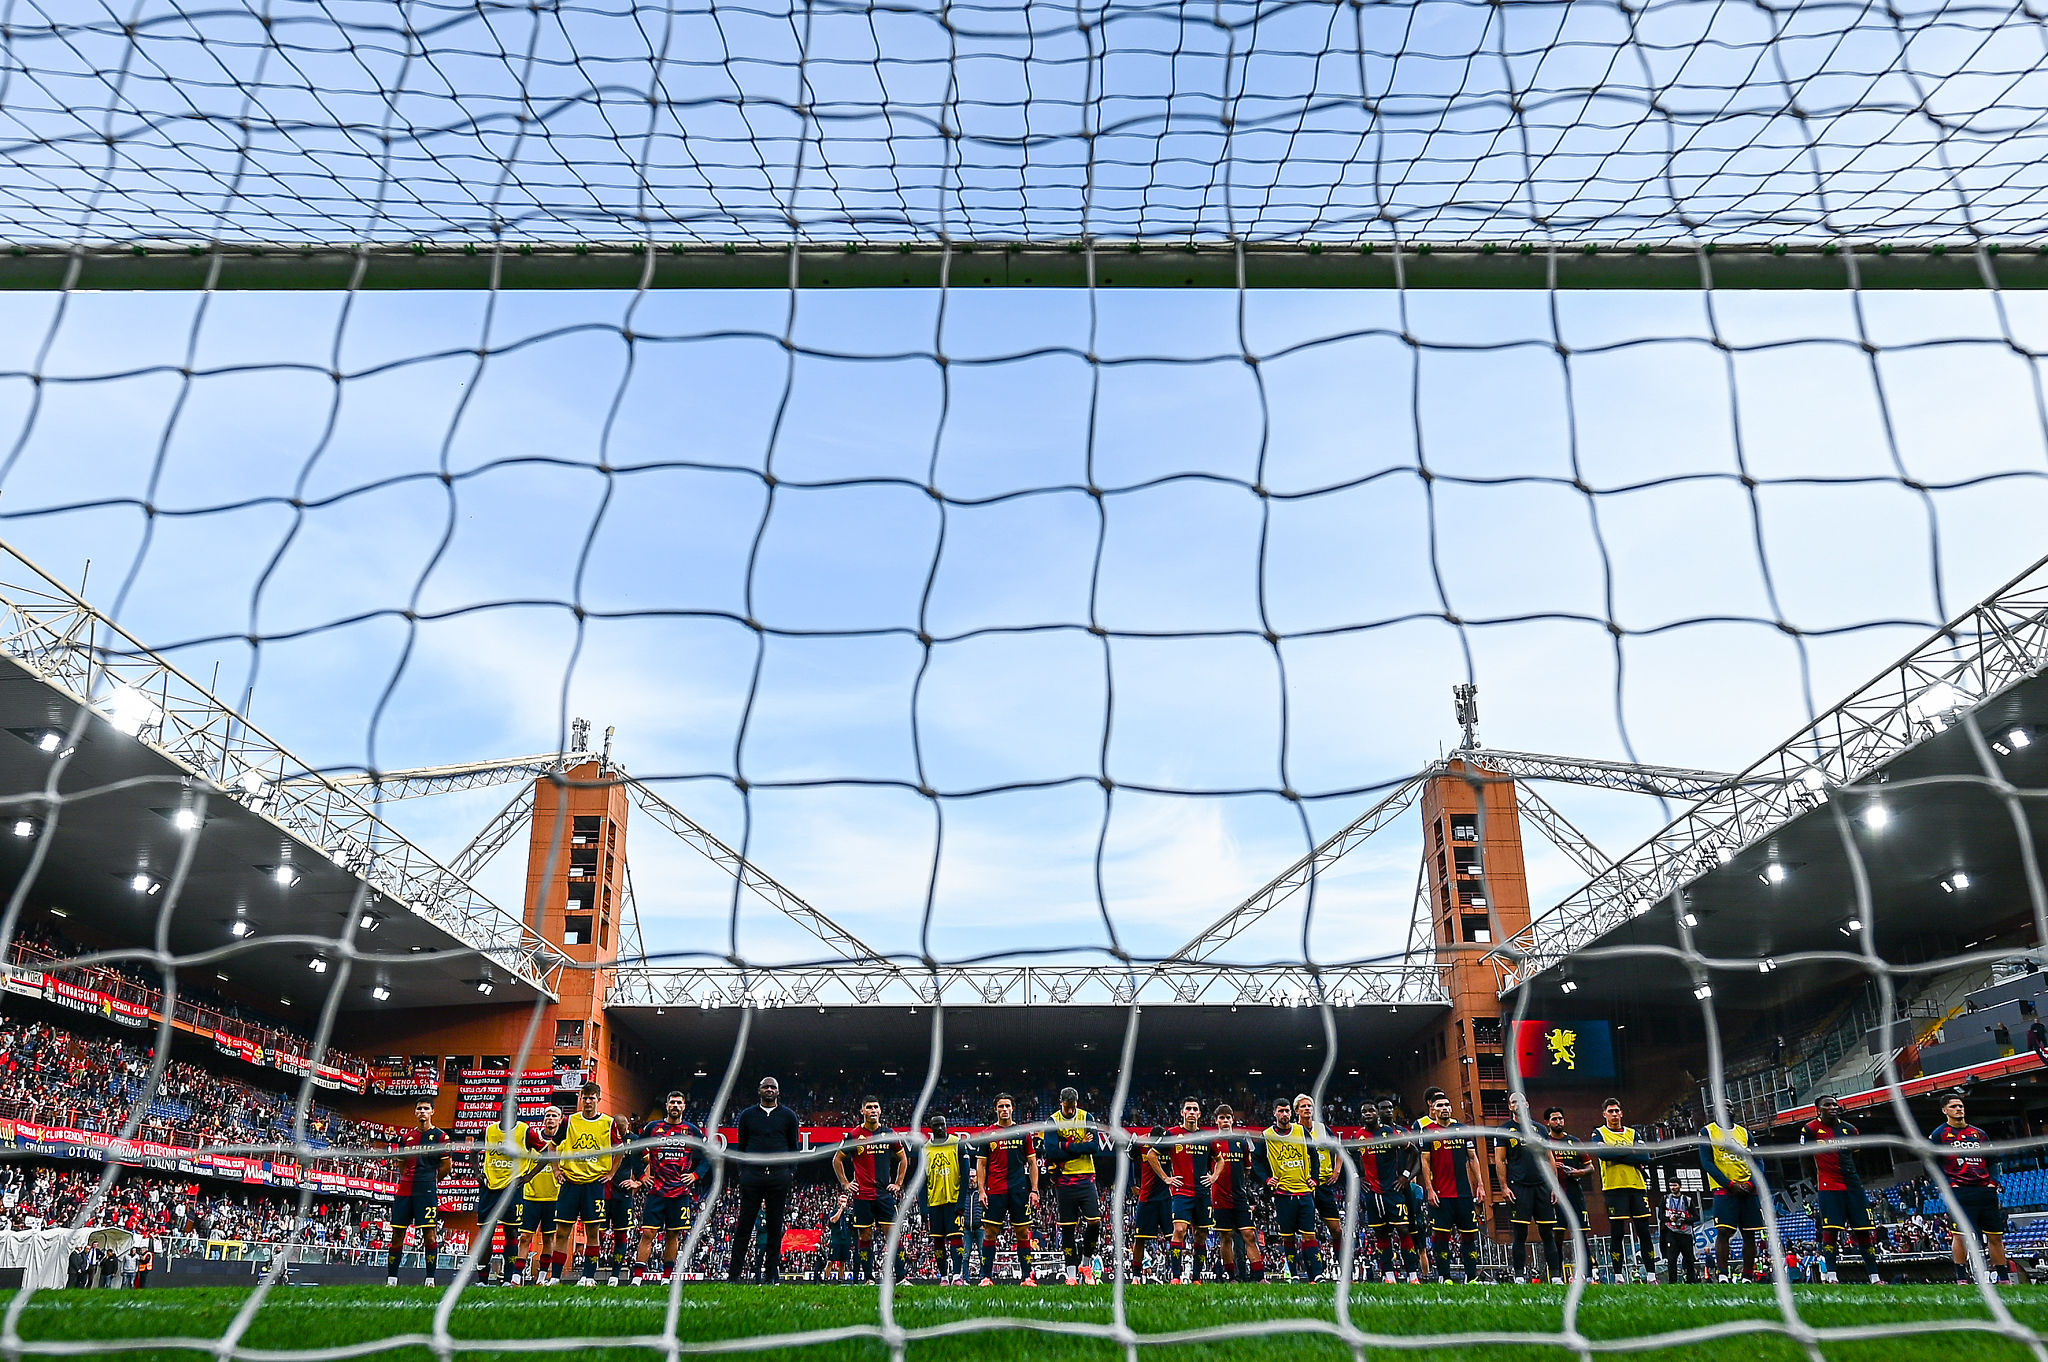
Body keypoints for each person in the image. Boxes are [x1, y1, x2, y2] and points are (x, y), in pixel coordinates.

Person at [1931, 1090, 2012, 1284]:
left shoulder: (1979, 1134)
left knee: (1995, 1236)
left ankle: (2003, 1277)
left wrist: (1993, 1182)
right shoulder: (1939, 1135)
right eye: (1953, 1106)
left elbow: (1992, 1161)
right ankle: (1961, 1278)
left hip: (1985, 1191)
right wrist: (1949, 1184)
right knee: (1961, 1236)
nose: (1958, 1109)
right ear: (1944, 1110)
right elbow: (1932, 1163)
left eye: (1960, 1106)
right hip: (1960, 1191)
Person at [729, 1076, 801, 1283]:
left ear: (778, 1091)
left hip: (779, 1176)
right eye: (765, 1087)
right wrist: (743, 1172)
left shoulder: (789, 1116)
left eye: (773, 1087)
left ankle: (771, 1275)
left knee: (774, 1226)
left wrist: (790, 1172)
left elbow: (792, 1146)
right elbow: (741, 1146)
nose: (769, 1090)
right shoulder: (747, 1115)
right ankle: (734, 1276)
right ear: (759, 1090)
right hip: (752, 1176)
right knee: (744, 1225)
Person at [554, 1081, 628, 1287]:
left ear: (598, 1099)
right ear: (581, 1099)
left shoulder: (607, 1122)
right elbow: (552, 1145)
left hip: (594, 1184)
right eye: (584, 1098)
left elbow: (619, 1149)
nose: (587, 1101)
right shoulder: (570, 1121)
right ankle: (554, 1277)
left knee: (593, 1231)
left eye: (591, 1098)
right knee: (562, 1231)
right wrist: (556, 1169)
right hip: (570, 1182)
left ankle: (588, 1276)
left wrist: (612, 1173)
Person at [1804, 1095, 1881, 1284]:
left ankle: (1874, 1277)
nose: (1833, 1107)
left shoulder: (1850, 1130)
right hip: (1829, 1185)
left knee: (1863, 1230)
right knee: (1831, 1230)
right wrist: (1815, 1180)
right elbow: (1804, 1157)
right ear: (1818, 1109)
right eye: (1827, 1105)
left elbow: (1857, 1157)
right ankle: (1831, 1276)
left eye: (1834, 1104)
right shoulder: (1810, 1129)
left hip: (1853, 1186)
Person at [633, 1090, 706, 1285]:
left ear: (684, 1106)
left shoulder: (692, 1131)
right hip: (657, 1190)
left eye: (679, 1103)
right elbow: (634, 1152)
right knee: (648, 1233)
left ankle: (666, 1278)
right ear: (666, 1105)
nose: (675, 1106)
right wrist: (641, 1175)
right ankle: (637, 1278)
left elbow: (709, 1156)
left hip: (680, 1192)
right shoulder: (653, 1128)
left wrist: (695, 1175)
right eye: (672, 1102)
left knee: (673, 1234)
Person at [1417, 1087, 1488, 1284]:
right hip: (1440, 1195)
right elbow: (1425, 1162)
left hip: (1464, 1194)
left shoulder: (1463, 1130)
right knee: (1440, 1237)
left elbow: (1473, 1158)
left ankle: (1471, 1277)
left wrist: (1480, 1185)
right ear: (1434, 1110)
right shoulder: (1428, 1132)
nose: (1445, 1108)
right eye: (1440, 1105)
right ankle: (1444, 1276)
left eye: (1447, 1104)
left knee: (1469, 1237)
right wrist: (1429, 1190)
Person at [833, 1097, 907, 1283]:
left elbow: (904, 1159)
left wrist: (898, 1183)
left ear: (880, 1110)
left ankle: (901, 1278)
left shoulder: (889, 1134)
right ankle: (869, 1278)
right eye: (869, 1107)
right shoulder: (854, 1135)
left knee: (893, 1236)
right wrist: (845, 1183)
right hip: (862, 1196)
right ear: (862, 1111)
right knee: (864, 1236)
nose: (873, 1110)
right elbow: (837, 1160)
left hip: (884, 1194)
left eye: (876, 1107)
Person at [972, 1094, 1039, 1286]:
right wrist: (982, 1191)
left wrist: (1034, 1190)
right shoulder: (988, 1134)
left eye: (1007, 1106)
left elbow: (1032, 1163)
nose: (1004, 1109)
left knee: (1023, 1233)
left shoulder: (1023, 1133)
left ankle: (1027, 1277)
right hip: (995, 1191)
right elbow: (982, 1165)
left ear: (1012, 1108)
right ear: (996, 1109)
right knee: (990, 1232)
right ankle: (986, 1277)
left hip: (1019, 1190)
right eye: (1001, 1106)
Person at [386, 1096, 453, 1288]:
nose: (422, 1112)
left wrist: (431, 1181)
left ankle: (430, 1279)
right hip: (405, 1190)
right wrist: (408, 1179)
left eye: (426, 1108)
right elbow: (401, 1164)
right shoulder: (406, 1138)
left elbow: (447, 1165)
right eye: (419, 1109)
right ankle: (392, 1279)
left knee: (429, 1234)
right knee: (397, 1234)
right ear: (415, 1112)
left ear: (432, 1111)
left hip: (427, 1190)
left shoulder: (441, 1137)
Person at [1042, 1086, 1106, 1284]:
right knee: (1068, 1228)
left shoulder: (1087, 1117)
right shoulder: (1053, 1121)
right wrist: (1077, 1147)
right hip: (1064, 1180)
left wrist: (1064, 1145)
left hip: (1087, 1178)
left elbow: (1094, 1147)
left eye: (1073, 1107)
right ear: (1061, 1102)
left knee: (1095, 1221)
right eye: (1067, 1107)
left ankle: (1085, 1264)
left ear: (1077, 1103)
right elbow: (1051, 1152)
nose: (1070, 1111)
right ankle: (1070, 1275)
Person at [1253, 1098, 1322, 1283]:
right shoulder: (1266, 1135)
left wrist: (1314, 1178)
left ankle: (1317, 1274)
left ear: (1291, 1113)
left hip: (1305, 1191)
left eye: (1287, 1111)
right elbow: (1256, 1162)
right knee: (1288, 1237)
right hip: (1283, 1194)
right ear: (1274, 1113)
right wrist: (1267, 1179)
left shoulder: (1301, 1131)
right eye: (1280, 1111)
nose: (1284, 1114)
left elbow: (1314, 1155)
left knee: (1309, 1234)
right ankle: (1293, 1274)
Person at [476, 1096, 543, 1285]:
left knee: (512, 1233)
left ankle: (507, 1278)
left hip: (512, 1190)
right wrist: (477, 1172)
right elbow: (474, 1151)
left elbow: (547, 1153)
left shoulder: (525, 1132)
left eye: (511, 1110)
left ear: (517, 1112)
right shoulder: (489, 1131)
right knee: (485, 1235)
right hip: (490, 1189)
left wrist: (528, 1176)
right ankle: (482, 1280)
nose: (507, 1113)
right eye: (504, 1109)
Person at [1591, 1098, 1658, 1284]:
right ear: (1604, 1114)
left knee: (1643, 1231)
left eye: (1616, 1111)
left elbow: (1646, 1156)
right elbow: (1603, 1154)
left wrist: (1616, 1155)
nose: (1614, 1114)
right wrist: (1631, 1154)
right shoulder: (1599, 1133)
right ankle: (1619, 1276)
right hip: (1614, 1188)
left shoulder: (1633, 1133)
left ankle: (1651, 1275)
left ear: (1621, 1113)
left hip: (1637, 1187)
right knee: (1617, 1233)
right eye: (1610, 1111)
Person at [1497, 1092, 1560, 1285]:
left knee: (1548, 1233)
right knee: (1520, 1233)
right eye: (1513, 1102)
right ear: (1510, 1107)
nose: (1517, 1104)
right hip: (1519, 1188)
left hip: (1542, 1186)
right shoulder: (1505, 1130)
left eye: (1520, 1101)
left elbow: (1550, 1159)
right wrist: (1504, 1187)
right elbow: (1500, 1160)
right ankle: (1518, 1276)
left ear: (1527, 1103)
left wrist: (1554, 1186)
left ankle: (1556, 1276)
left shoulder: (1540, 1130)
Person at [1701, 1111, 1762, 1283]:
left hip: (1748, 1190)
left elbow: (1759, 1162)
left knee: (1750, 1235)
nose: (1728, 1110)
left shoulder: (1744, 1133)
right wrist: (1729, 1184)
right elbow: (1707, 1162)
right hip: (1724, 1190)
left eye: (1730, 1107)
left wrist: (1750, 1184)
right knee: (1723, 1231)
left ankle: (1747, 1277)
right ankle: (1722, 1275)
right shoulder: (1707, 1132)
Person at [1373, 1097, 1423, 1283]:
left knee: (1408, 1230)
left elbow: (1416, 1158)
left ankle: (1413, 1274)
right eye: (1383, 1108)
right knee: (1383, 1231)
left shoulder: (1402, 1132)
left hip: (1403, 1188)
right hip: (1382, 1189)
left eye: (1390, 1108)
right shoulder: (1374, 1134)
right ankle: (1388, 1274)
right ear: (1377, 1111)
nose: (1387, 1111)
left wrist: (1406, 1177)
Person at [1295, 1094, 1342, 1284]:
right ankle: (1316, 1274)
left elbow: (1339, 1150)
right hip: (1303, 1187)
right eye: (1303, 1106)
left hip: (1323, 1186)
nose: (1307, 1109)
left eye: (1310, 1106)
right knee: (1308, 1233)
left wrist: (1337, 1170)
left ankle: (1344, 1272)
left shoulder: (1323, 1129)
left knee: (1336, 1230)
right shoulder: (1294, 1131)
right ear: (1296, 1110)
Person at [1207, 1104, 1257, 1282]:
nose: (1225, 1121)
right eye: (1221, 1118)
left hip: (1239, 1197)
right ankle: (1231, 1276)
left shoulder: (1241, 1142)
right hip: (1220, 1198)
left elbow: (1247, 1169)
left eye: (1228, 1117)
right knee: (1226, 1237)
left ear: (1232, 1120)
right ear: (1216, 1121)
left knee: (1249, 1234)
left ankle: (1259, 1277)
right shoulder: (1211, 1142)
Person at [920, 1114, 971, 1284]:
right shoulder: (926, 1148)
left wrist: (961, 1201)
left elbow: (965, 1175)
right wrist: (923, 1207)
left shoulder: (957, 1143)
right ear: (931, 1128)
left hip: (953, 1200)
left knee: (956, 1238)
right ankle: (943, 1276)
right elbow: (921, 1180)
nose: (940, 1128)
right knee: (938, 1240)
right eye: (936, 1125)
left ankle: (957, 1275)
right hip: (935, 1202)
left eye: (943, 1124)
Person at [1169, 1098, 1214, 1284]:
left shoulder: (1206, 1137)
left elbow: (1219, 1160)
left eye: (1195, 1109)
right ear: (1182, 1112)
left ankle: (1196, 1278)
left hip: (1202, 1193)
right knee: (1179, 1230)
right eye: (1188, 1108)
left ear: (1200, 1113)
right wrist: (1167, 1178)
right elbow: (1151, 1154)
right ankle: (1176, 1277)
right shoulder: (1172, 1134)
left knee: (1201, 1234)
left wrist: (1213, 1177)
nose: (1192, 1112)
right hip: (1182, 1192)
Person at [518, 1106, 564, 1284]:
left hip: (554, 1196)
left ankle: (543, 1277)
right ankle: (516, 1277)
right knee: (525, 1237)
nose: (550, 1118)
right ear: (543, 1119)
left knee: (548, 1237)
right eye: (548, 1115)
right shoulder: (533, 1139)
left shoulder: (563, 1141)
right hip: (532, 1195)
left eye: (554, 1116)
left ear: (560, 1120)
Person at [1131, 1124, 1174, 1282]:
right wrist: (1132, 1183)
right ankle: (1136, 1276)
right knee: (1140, 1238)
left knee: (1173, 1237)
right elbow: (1128, 1159)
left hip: (1165, 1197)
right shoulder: (1141, 1143)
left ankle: (1177, 1275)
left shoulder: (1168, 1144)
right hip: (1147, 1197)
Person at [1660, 1190, 1698, 1284]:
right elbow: (1660, 1216)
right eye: (1671, 1185)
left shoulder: (1687, 1200)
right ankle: (1672, 1282)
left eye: (1675, 1185)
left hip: (1686, 1233)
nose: (1673, 1187)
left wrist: (1685, 1219)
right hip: (1671, 1232)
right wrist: (1669, 1218)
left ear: (1679, 1186)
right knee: (1671, 1259)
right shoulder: (1665, 1199)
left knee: (1689, 1259)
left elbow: (1697, 1217)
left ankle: (1691, 1281)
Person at [824, 1191, 855, 1282]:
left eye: (844, 1201)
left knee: (843, 1261)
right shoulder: (833, 1211)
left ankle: (841, 1280)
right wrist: (840, 1210)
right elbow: (833, 1220)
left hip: (845, 1240)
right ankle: (826, 1279)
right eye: (841, 1201)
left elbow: (852, 1226)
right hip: (836, 1240)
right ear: (838, 1202)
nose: (843, 1203)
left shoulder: (849, 1213)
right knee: (831, 1261)